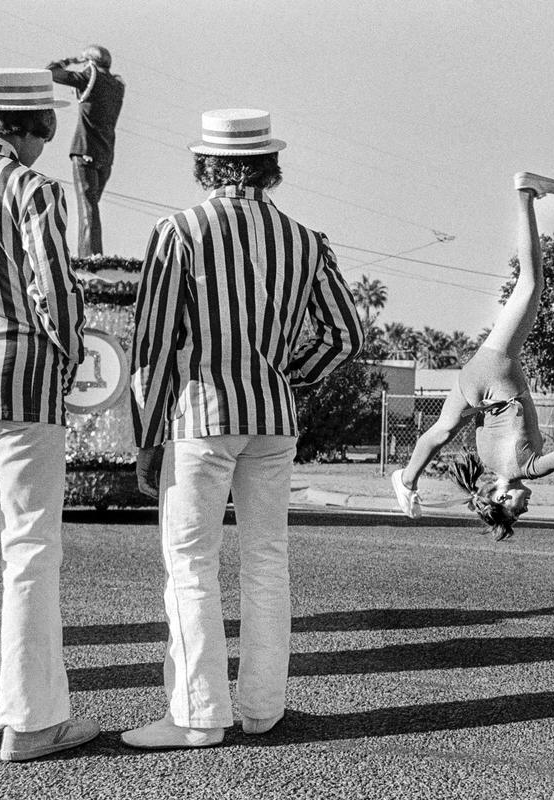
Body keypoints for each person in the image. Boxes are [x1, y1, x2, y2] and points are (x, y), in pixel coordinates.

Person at [125, 109, 364, 749]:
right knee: (267, 561)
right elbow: (346, 334)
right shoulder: (307, 240)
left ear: (207, 165)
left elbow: (151, 345)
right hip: (274, 418)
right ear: (271, 167)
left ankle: (198, 716)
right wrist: (289, 375)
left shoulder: (178, 230)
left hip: (201, 415)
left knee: (191, 566)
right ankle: (264, 708)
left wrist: (147, 437)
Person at [0, 68, 97, 762]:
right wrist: (66, 361)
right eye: (45, 130)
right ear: (27, 126)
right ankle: (31, 721)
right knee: (30, 547)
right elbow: (54, 289)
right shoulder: (30, 189)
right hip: (24, 378)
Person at [390, 173, 554, 540]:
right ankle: (407, 479)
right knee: (442, 430)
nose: (524, 509)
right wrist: (481, 406)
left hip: (495, 368)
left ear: (500, 495)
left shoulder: (528, 469)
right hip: (474, 383)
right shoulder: (485, 460)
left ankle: (525, 194)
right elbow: (474, 424)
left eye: (515, 510)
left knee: (531, 283)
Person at [47, 45, 125, 257]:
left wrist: (71, 59)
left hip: (85, 150)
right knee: (91, 209)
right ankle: (89, 253)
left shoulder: (91, 78)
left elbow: (52, 72)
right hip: (106, 155)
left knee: (88, 210)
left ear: (90, 62)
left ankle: (90, 257)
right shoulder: (117, 86)